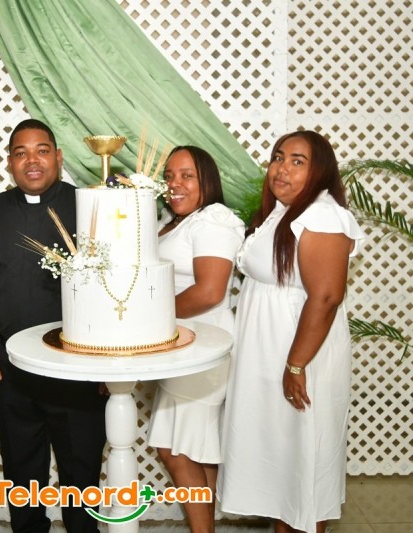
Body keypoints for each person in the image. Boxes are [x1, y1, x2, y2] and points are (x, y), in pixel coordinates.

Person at [218, 131, 366, 533]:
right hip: (270, 353)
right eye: (278, 158)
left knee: (304, 464)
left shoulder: (323, 215)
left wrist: (296, 365)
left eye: (298, 161)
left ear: (320, 171)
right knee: (284, 468)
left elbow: (326, 296)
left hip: (300, 354)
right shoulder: (284, 212)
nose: (282, 168)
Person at [0, 118, 107, 533]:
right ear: (10, 162)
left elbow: (112, 285)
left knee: (81, 475)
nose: (32, 160)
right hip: (14, 371)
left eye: (42, 150)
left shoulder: (88, 207)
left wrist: (107, 362)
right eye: (21, 153)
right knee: (22, 473)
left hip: (78, 370)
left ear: (58, 157)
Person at [146, 146, 244, 533]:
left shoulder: (214, 220)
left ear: (208, 180)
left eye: (187, 175)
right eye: (169, 176)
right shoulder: (174, 221)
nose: (175, 184)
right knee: (197, 449)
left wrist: (151, 320)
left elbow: (210, 292)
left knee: (178, 449)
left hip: (206, 343)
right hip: (183, 343)